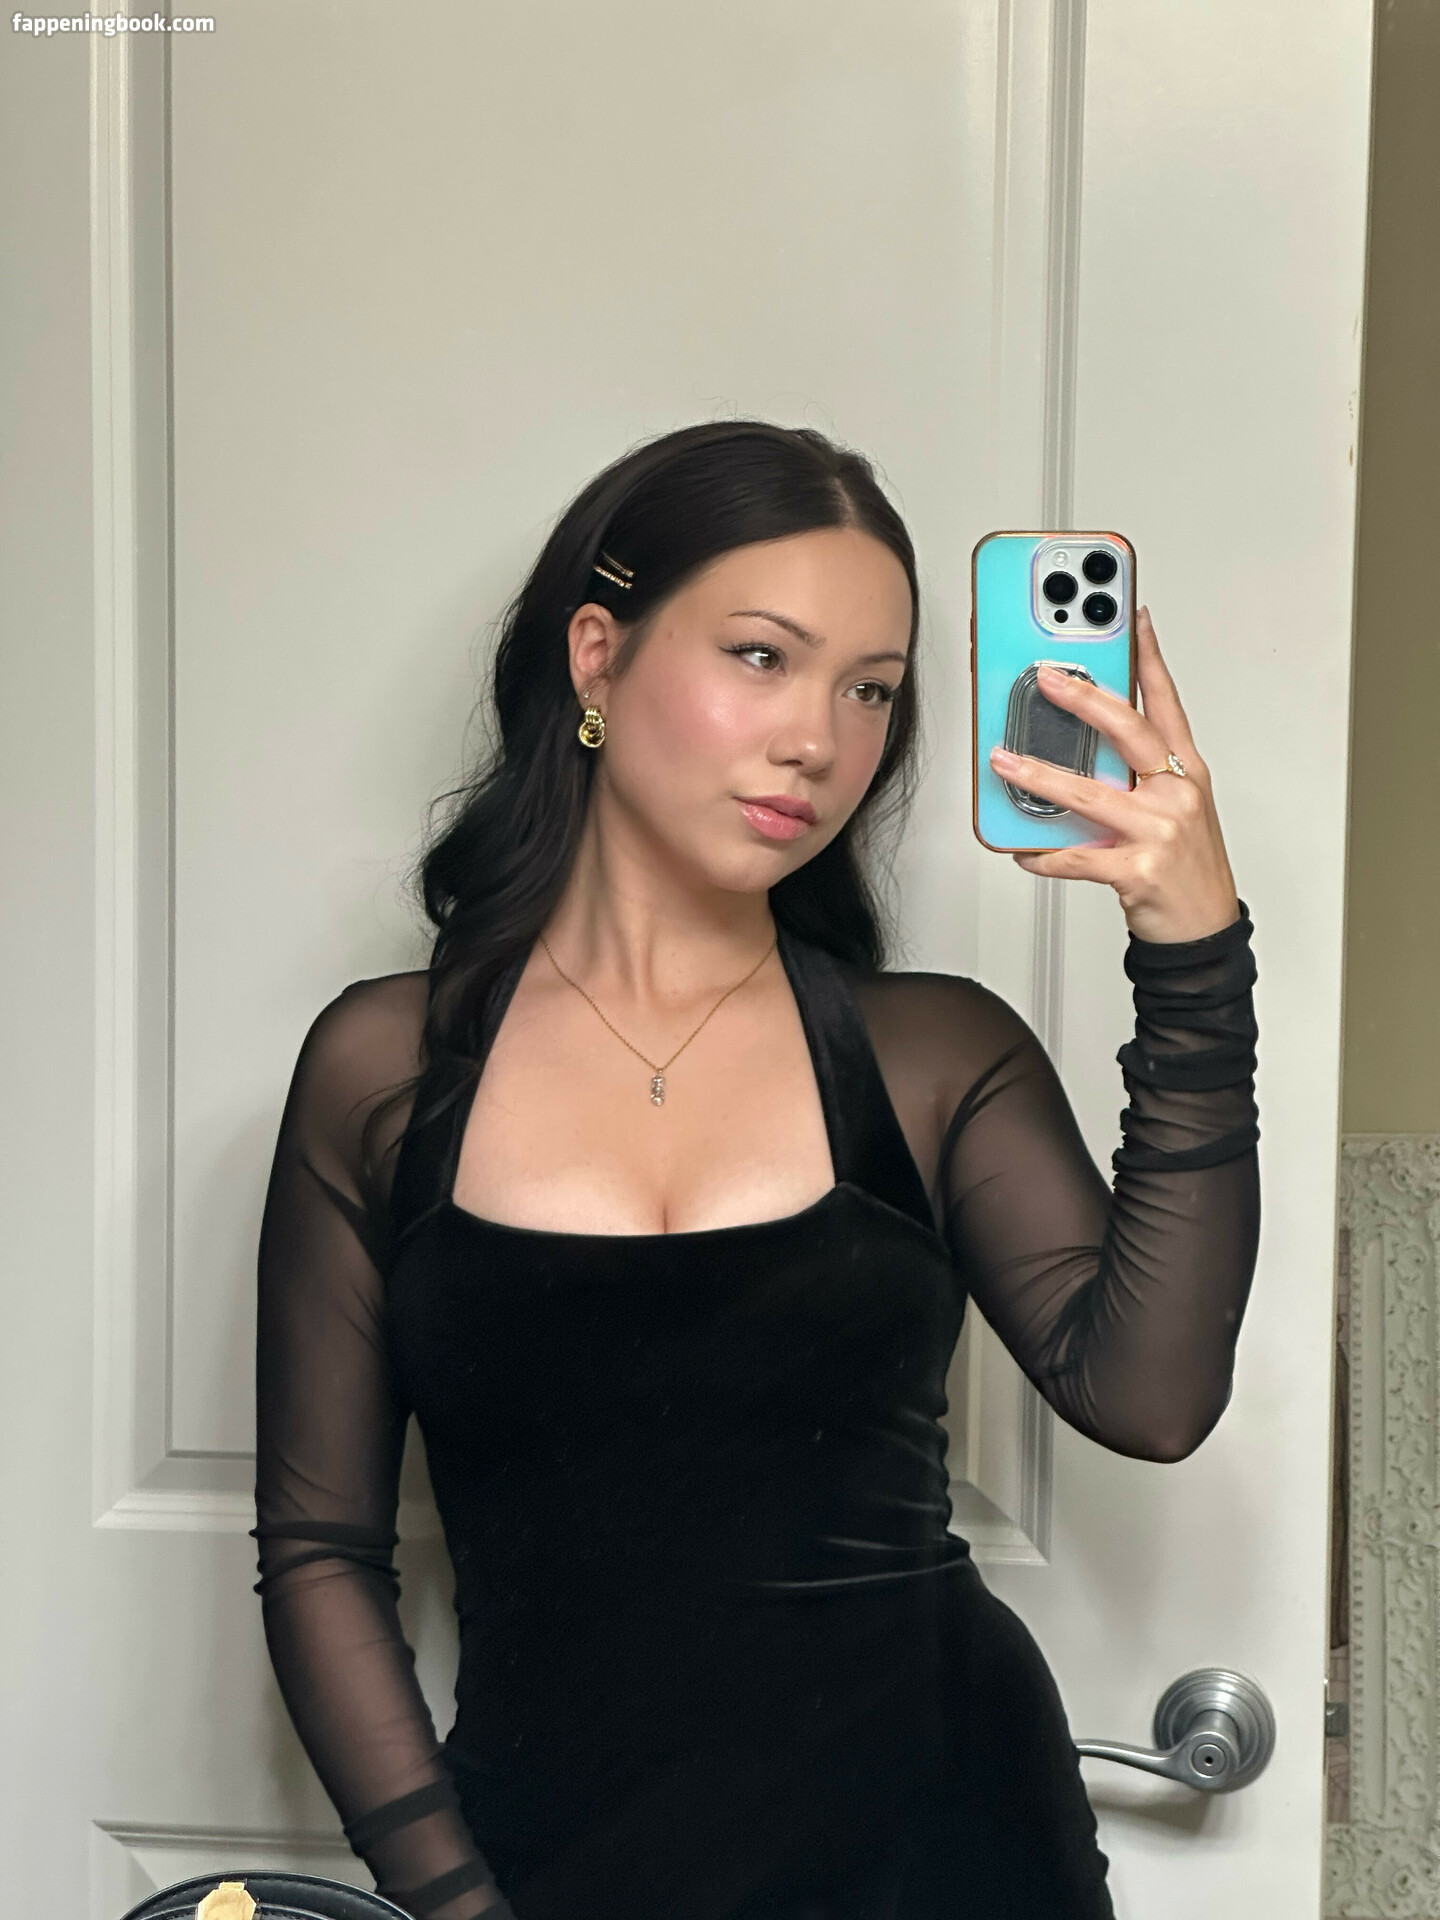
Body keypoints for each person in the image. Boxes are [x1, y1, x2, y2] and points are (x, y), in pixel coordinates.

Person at [253, 421, 1260, 1920]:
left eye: (871, 689)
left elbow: (1152, 1396)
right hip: (565, 1865)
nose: (820, 742)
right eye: (762, 657)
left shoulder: (931, 1059)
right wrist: (455, 1904)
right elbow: (320, 1552)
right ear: (597, 657)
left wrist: (1193, 953)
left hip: (959, 1851)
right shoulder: (385, 1073)